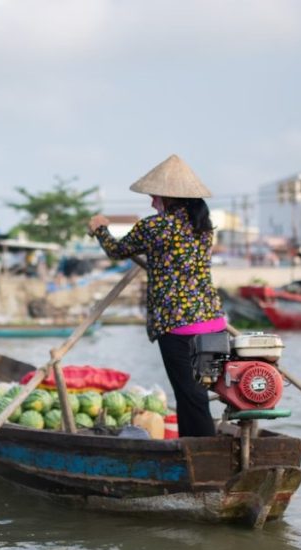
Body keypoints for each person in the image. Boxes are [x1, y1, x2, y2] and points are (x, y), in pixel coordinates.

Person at [87, 154, 226, 437]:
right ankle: (194, 449)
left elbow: (116, 250)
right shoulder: (203, 228)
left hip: (179, 327)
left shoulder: (156, 227)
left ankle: (202, 452)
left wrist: (100, 229)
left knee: (190, 397)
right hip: (213, 326)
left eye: (155, 196)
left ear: (170, 197)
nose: (152, 202)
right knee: (196, 396)